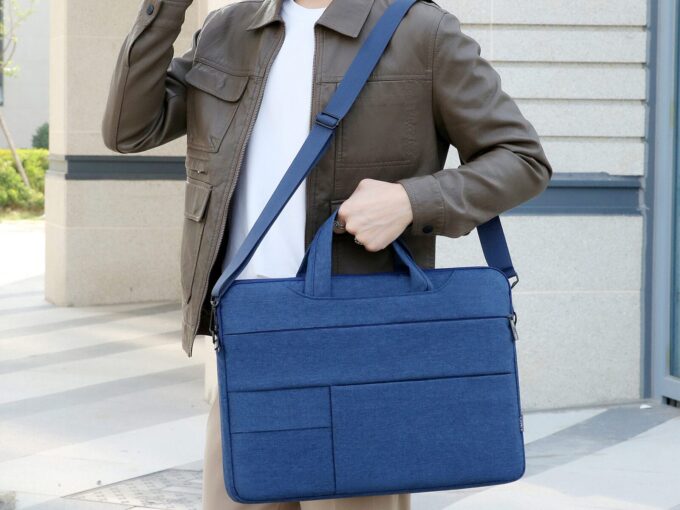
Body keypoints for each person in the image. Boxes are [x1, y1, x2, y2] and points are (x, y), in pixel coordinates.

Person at [102, 0, 552, 508]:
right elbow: (128, 130)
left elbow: (521, 158)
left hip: (359, 353)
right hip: (248, 343)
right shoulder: (230, 28)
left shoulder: (421, 31)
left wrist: (410, 201)